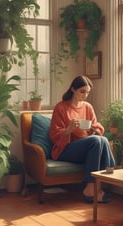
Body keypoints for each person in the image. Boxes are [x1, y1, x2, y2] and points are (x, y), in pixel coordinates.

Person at [49, 75, 115, 203]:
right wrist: (68, 130)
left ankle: (91, 188)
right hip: (66, 149)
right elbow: (54, 134)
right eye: (82, 92)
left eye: (88, 92)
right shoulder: (61, 107)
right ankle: (105, 176)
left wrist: (91, 129)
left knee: (103, 139)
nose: (85, 95)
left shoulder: (88, 107)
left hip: (87, 148)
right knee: (97, 140)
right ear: (73, 89)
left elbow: (97, 127)